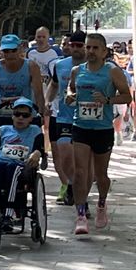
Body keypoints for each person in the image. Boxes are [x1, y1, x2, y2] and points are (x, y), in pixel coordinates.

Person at [63, 32, 132, 233]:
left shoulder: (112, 71)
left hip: (102, 128)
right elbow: (70, 89)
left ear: (104, 52)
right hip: (81, 126)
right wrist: (70, 96)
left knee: (101, 175)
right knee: (80, 172)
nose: (90, 51)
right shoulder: (78, 71)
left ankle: (101, 203)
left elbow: (127, 97)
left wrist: (108, 100)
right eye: (88, 47)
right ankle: (81, 214)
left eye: (95, 48)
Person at [0, 97, 45, 227]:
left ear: (30, 118)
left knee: (13, 169)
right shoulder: (3, 129)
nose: (20, 118)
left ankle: (8, 214)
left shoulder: (35, 131)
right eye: (17, 114)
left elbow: (40, 148)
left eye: (25, 115)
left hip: (21, 165)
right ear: (12, 116)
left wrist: (36, 153)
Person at [45, 32, 88, 207]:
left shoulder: (96, 67)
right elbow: (54, 85)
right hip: (64, 117)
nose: (75, 49)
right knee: (65, 157)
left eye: (80, 45)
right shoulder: (61, 65)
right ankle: (71, 183)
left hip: (87, 120)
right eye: (73, 45)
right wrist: (48, 101)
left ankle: (82, 200)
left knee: (84, 164)